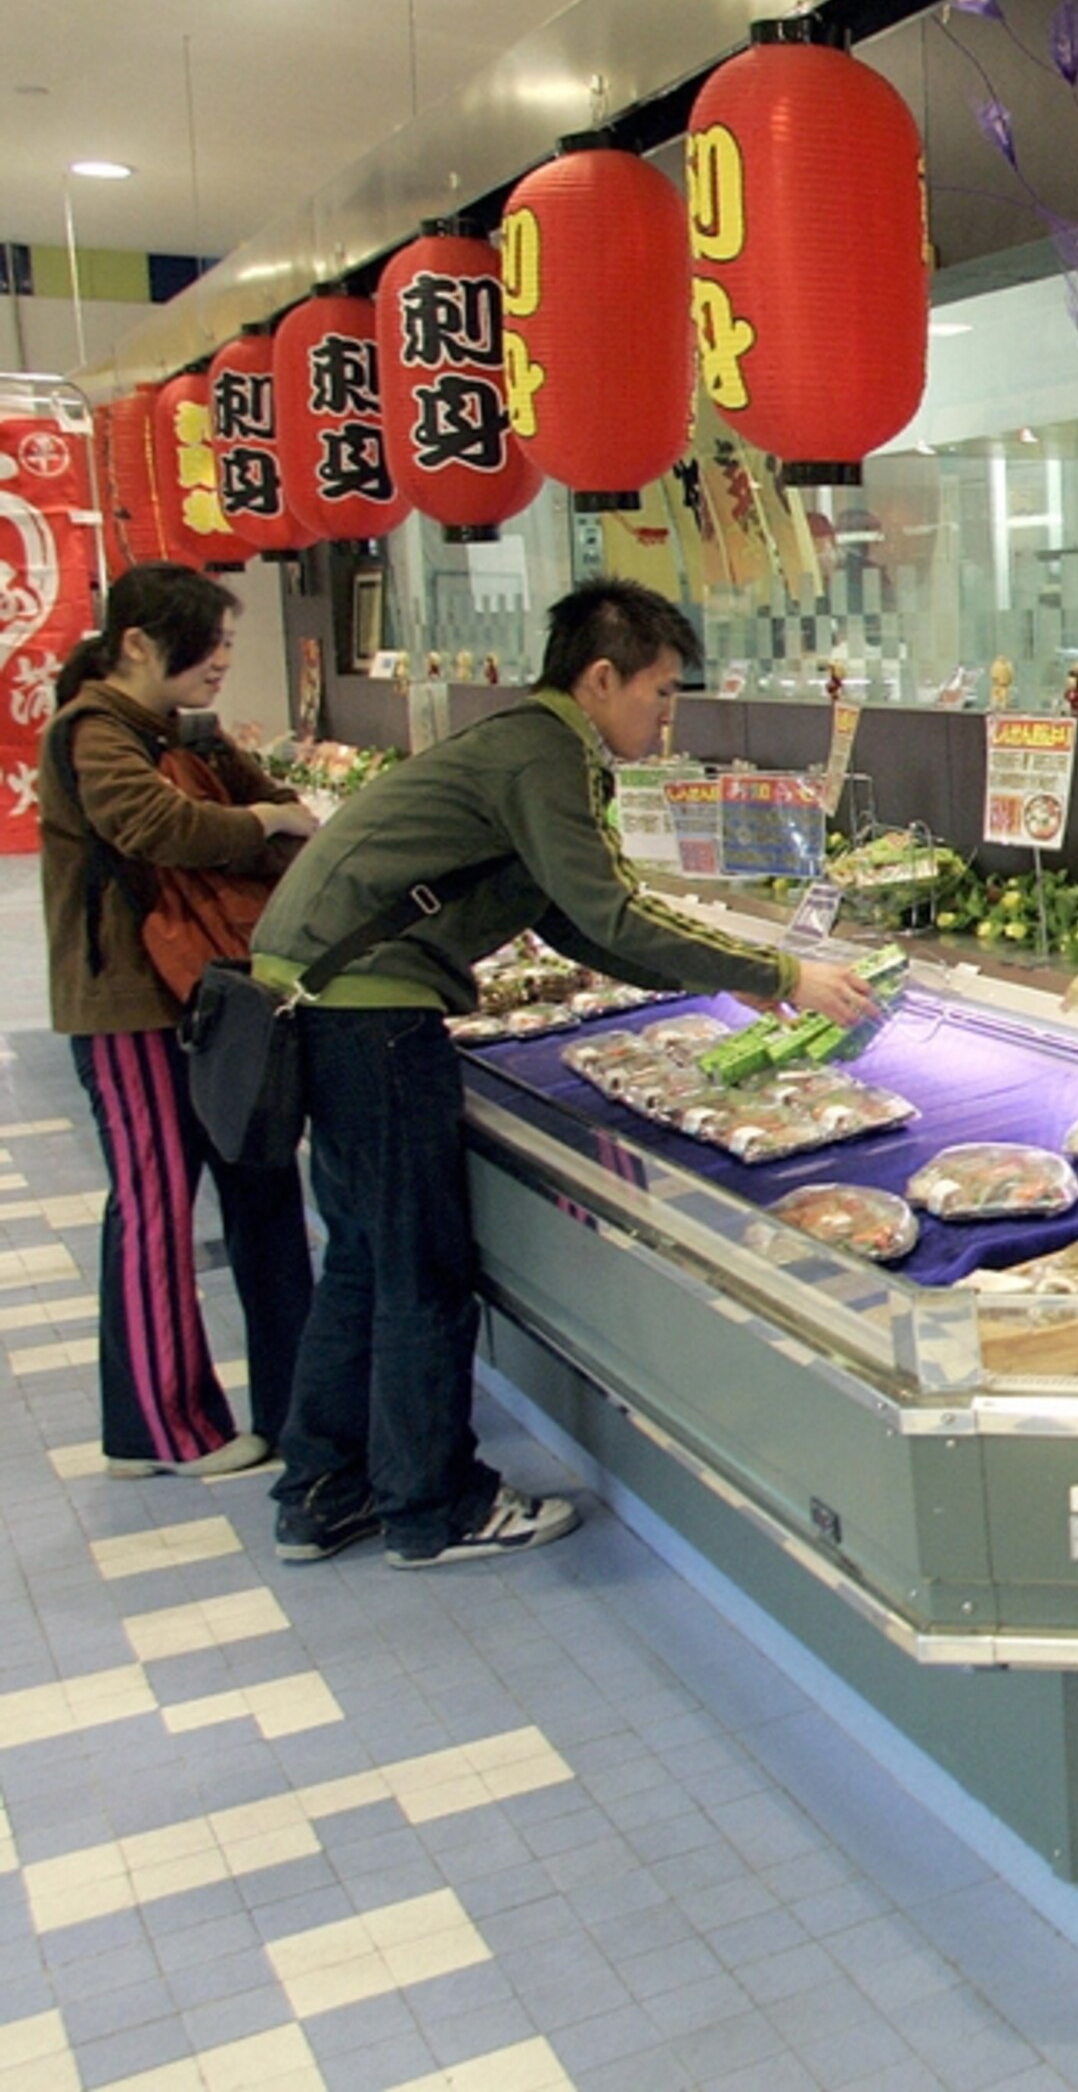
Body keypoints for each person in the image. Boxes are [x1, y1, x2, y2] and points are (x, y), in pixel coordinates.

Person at [252, 579, 882, 1570]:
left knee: (368, 1256)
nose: (667, 717)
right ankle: (431, 1508)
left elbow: (565, 920)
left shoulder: (522, 743)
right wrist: (784, 970)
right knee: (419, 1267)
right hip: (372, 1011)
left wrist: (726, 984)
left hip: (326, 997)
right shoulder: (549, 754)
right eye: (660, 692)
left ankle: (324, 1487)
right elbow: (611, 912)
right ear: (600, 678)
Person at [39, 564, 320, 1479]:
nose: (221, 662)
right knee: (157, 1202)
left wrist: (259, 793)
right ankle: (158, 1430)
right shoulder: (94, 729)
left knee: (258, 1186)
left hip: (202, 999)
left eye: (230, 643)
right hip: (127, 1003)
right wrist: (263, 818)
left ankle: (295, 1406)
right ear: (137, 645)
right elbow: (152, 824)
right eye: (207, 644)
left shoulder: (165, 730)